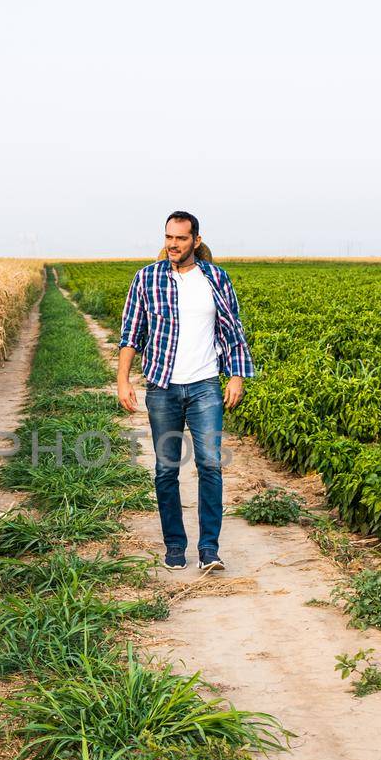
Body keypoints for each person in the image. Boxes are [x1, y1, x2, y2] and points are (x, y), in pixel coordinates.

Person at [115, 211, 254, 572]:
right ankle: (175, 546)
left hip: (205, 386)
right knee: (166, 469)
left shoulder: (216, 278)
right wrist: (123, 379)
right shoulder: (146, 279)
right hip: (162, 388)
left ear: (195, 239)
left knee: (210, 465)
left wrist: (236, 376)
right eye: (168, 237)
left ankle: (209, 549)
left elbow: (232, 330)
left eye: (180, 238)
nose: (173, 244)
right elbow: (131, 334)